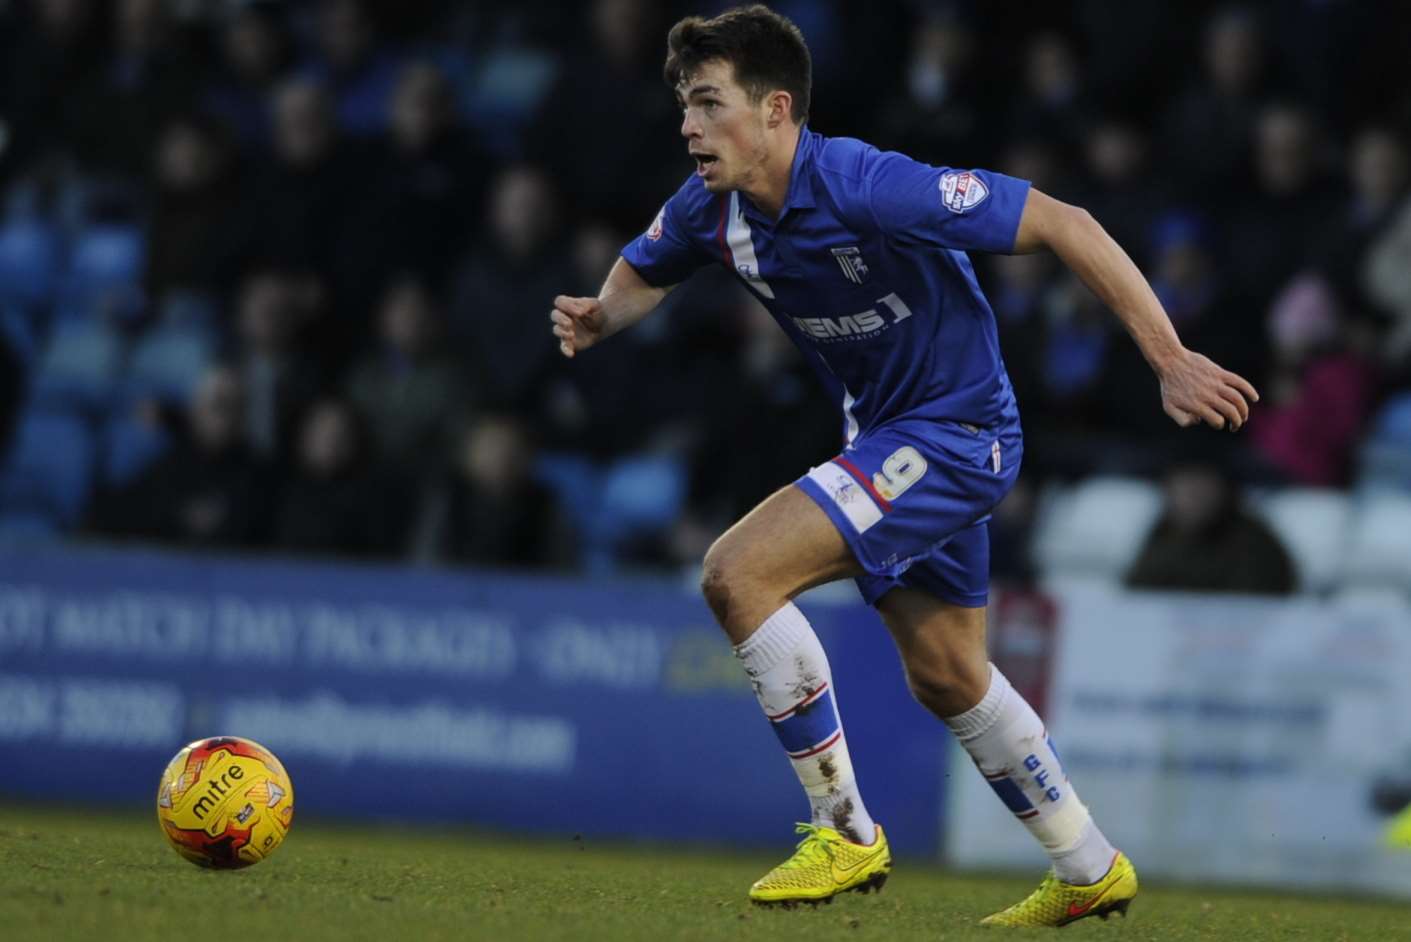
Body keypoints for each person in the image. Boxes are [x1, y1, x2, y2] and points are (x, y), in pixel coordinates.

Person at [548, 5, 1258, 926]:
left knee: (737, 572)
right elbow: (649, 266)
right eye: (683, 102)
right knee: (947, 673)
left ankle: (841, 830)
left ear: (775, 110)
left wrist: (1166, 357)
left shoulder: (868, 184)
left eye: (708, 101)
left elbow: (1066, 223)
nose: (687, 123)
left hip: (958, 434)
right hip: (887, 439)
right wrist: (601, 315)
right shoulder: (710, 207)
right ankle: (1088, 866)